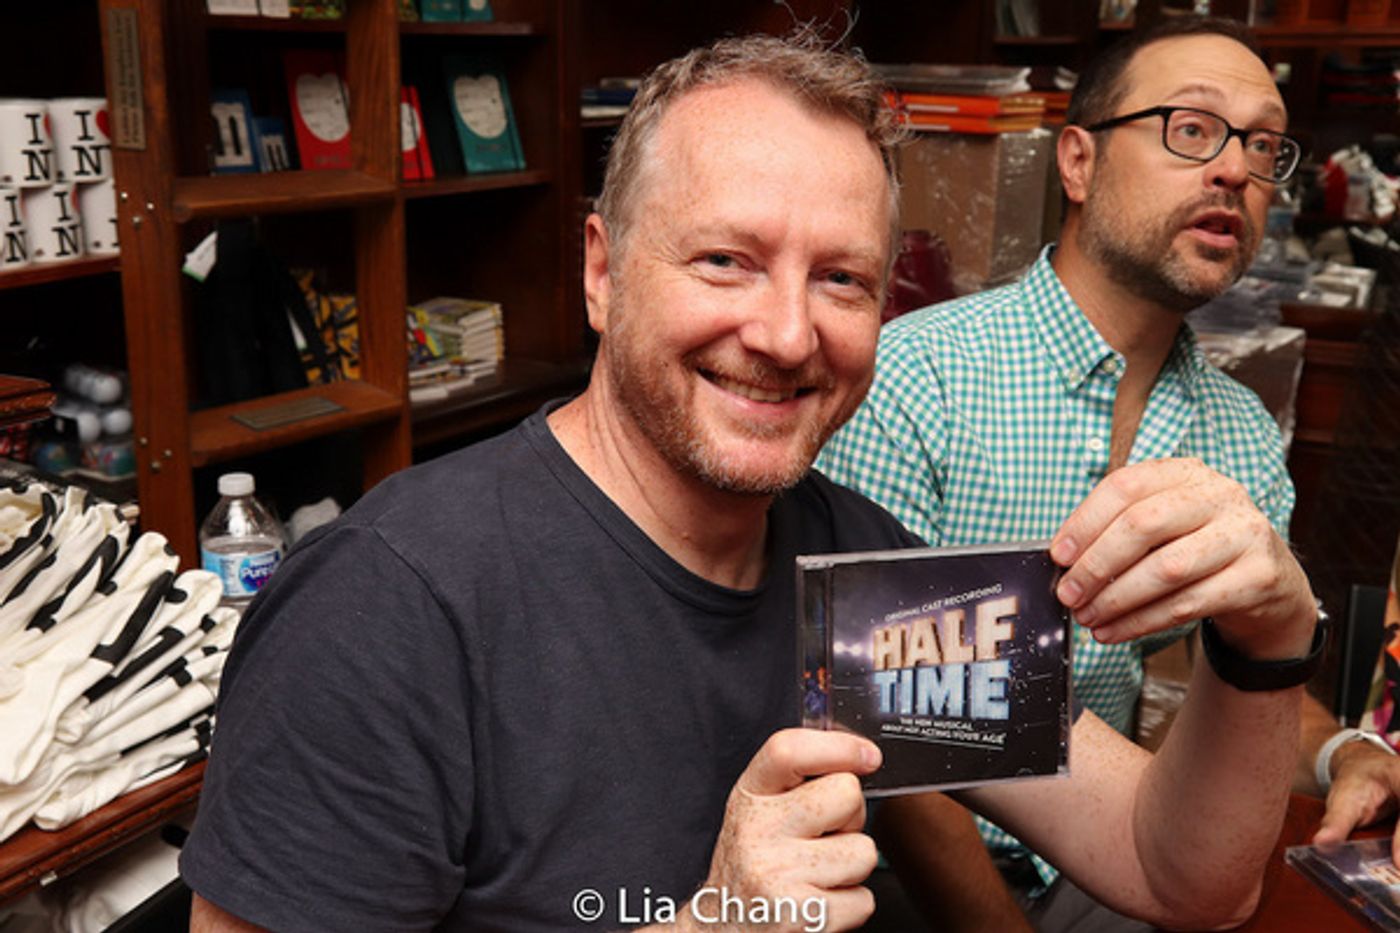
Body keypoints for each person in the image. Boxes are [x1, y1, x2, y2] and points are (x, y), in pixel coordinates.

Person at [181, 31, 1317, 932]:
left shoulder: (867, 576)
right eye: (724, 259)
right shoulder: (385, 607)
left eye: (840, 280)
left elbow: (1178, 876)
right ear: (601, 270)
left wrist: (1267, 639)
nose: (784, 334)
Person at [817, 14, 1396, 931]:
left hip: (1114, 860)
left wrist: (1345, 754)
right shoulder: (917, 376)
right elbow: (880, 735)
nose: (1235, 171)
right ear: (1078, 162)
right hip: (895, 879)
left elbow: (1236, 692)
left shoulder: (1237, 432)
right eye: (1193, 128)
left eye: (1263, 145)